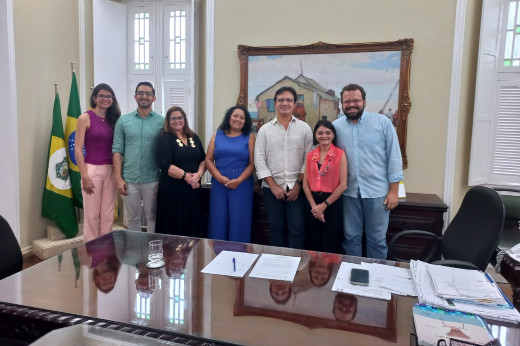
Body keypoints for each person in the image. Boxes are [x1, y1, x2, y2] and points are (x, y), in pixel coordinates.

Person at [333, 84, 403, 259]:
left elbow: (394, 157)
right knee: (351, 238)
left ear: (364, 101)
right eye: (347, 101)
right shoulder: (336, 126)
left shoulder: (382, 123)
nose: (351, 104)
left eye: (356, 100)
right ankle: (351, 276)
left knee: (377, 240)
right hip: (347, 192)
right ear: (342, 104)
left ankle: (377, 278)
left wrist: (395, 191)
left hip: (378, 192)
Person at [254, 86, 313, 249]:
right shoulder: (265, 130)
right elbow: (259, 159)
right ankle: (277, 266)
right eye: (281, 100)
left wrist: (298, 186)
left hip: (297, 188)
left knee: (297, 229)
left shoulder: (305, 129)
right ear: (275, 103)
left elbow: (308, 160)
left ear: (295, 104)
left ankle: (294, 267)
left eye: (288, 100)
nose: (284, 103)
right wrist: (273, 186)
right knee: (275, 228)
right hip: (272, 188)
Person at [112, 82, 164, 233]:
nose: (144, 96)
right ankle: (135, 252)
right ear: (135, 96)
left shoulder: (162, 122)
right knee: (133, 218)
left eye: (148, 93)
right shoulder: (123, 121)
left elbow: (167, 152)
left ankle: (152, 252)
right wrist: (118, 178)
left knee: (152, 217)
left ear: (154, 98)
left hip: (153, 179)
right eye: (140, 93)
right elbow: (117, 151)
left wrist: (163, 180)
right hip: (129, 179)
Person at [75, 84, 121, 242]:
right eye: (101, 96)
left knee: (107, 214)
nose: (105, 99)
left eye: (109, 96)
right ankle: (92, 252)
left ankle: (105, 249)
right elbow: (78, 149)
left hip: (112, 170)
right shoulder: (85, 118)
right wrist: (84, 175)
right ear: (94, 98)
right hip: (92, 169)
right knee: (92, 215)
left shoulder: (115, 119)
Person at [206, 105, 255, 243]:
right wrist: (219, 178)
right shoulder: (217, 135)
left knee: (239, 220)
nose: (238, 119)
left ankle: (239, 258)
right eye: (235, 116)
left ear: (246, 121)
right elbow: (208, 160)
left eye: (242, 117)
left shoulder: (250, 137)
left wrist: (238, 180)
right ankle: (217, 258)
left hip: (242, 184)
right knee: (218, 219)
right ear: (229, 117)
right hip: (219, 183)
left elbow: (252, 164)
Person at [155, 106, 206, 236]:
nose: (177, 121)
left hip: (193, 189)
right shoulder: (164, 138)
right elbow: (165, 164)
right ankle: (173, 255)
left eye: (180, 117)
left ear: (184, 119)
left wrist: (198, 175)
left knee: (193, 224)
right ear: (168, 120)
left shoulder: (193, 137)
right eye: (173, 118)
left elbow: (203, 159)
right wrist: (188, 177)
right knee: (175, 225)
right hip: (173, 190)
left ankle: (194, 254)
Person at [302, 119, 347, 254]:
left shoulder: (340, 154)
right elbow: (305, 183)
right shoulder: (310, 155)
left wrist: (324, 205)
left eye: (328, 132)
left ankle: (329, 272)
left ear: (333, 135)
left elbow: (343, 184)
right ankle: (315, 273)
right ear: (315, 135)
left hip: (332, 202)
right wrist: (315, 207)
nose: (324, 136)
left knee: (330, 241)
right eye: (320, 133)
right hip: (312, 203)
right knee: (313, 241)